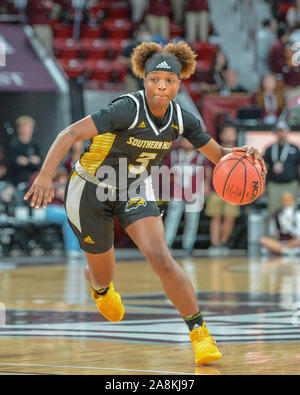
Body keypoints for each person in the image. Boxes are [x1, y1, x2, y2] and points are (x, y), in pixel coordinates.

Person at [24, 40, 265, 366]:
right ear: (144, 80)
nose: (161, 86)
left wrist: (244, 156)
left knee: (161, 258)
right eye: (155, 80)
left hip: (134, 188)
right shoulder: (126, 108)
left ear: (179, 84)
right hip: (91, 190)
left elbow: (220, 157)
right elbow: (68, 135)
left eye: (169, 81)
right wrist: (45, 176)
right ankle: (99, 287)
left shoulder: (182, 119)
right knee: (105, 277)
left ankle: (200, 333)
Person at [163, 137, 206, 256]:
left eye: (190, 140)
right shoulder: (174, 155)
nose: (187, 143)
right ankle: (166, 244)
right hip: (176, 192)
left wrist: (205, 187)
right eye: (185, 140)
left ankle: (188, 245)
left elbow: (206, 173)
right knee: (172, 219)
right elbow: (165, 171)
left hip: (193, 193)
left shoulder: (200, 157)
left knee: (192, 221)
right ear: (181, 141)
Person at [28, 167, 82, 258]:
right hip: (43, 208)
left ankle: (81, 249)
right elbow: (34, 194)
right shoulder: (37, 176)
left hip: (59, 207)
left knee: (79, 214)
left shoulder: (57, 177)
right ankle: (72, 249)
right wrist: (54, 191)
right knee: (67, 216)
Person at [204, 125, 241, 256]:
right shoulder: (216, 149)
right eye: (227, 132)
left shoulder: (240, 151)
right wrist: (206, 185)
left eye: (232, 133)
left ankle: (223, 243)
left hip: (233, 191)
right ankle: (215, 245)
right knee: (216, 217)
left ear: (236, 136)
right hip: (216, 189)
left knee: (230, 218)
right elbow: (209, 169)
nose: (229, 135)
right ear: (222, 135)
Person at [263, 121, 300, 215]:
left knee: (290, 212)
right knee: (273, 211)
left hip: (290, 185)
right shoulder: (269, 148)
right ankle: (273, 230)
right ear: (275, 132)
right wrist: (263, 185)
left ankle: (289, 230)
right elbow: (264, 168)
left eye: (283, 130)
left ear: (288, 132)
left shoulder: (295, 148)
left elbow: (299, 167)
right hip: (274, 185)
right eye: (279, 131)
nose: (281, 133)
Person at [9, 116, 42, 186]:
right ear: (19, 129)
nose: (25, 130)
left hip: (34, 178)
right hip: (18, 179)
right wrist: (18, 161)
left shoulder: (36, 144)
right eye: (23, 127)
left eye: (28, 127)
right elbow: (10, 162)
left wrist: (36, 161)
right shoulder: (13, 144)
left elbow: (41, 160)